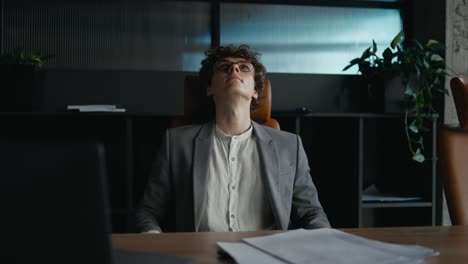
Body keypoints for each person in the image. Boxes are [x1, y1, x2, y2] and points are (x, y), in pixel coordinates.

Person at [135, 44, 330, 233]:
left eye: (244, 67)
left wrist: (324, 241)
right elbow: (148, 212)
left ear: (255, 91)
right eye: (224, 67)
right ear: (209, 88)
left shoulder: (289, 146)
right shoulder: (177, 144)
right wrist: (155, 241)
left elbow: (311, 213)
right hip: (201, 254)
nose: (234, 69)